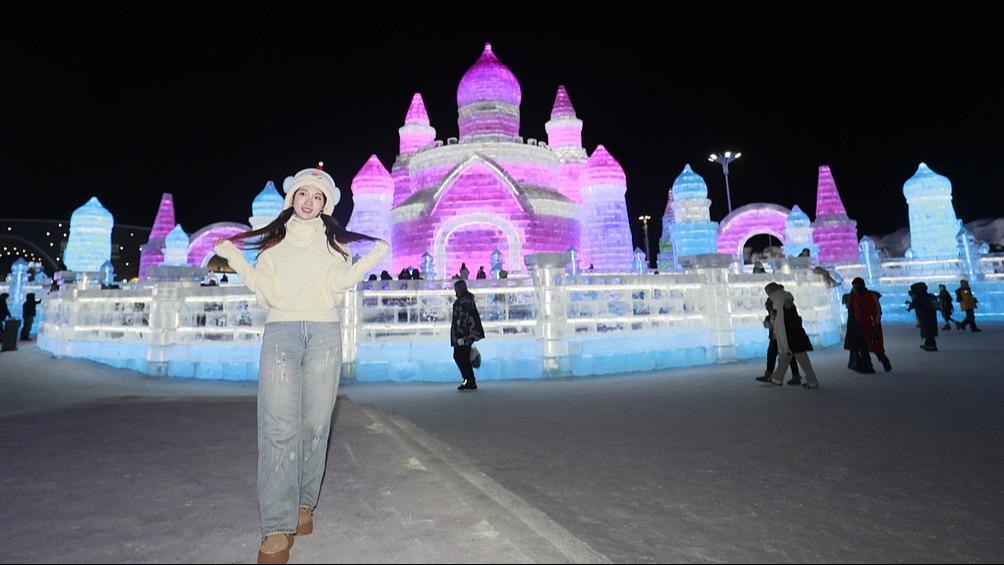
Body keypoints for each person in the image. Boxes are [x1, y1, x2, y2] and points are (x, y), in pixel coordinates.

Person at [213, 164, 388, 564]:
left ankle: (303, 503)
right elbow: (263, 289)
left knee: (315, 424)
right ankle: (276, 525)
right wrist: (234, 256)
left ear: (326, 204)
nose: (309, 202)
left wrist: (371, 259)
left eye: (318, 196)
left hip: (325, 334)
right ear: (292, 198)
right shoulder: (274, 243)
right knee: (278, 428)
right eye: (303, 194)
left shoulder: (335, 244)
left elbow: (336, 287)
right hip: (281, 333)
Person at [756, 282, 820, 388]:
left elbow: (782, 321)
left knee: (797, 358)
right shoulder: (782, 300)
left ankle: (809, 380)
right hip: (792, 336)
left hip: (791, 337)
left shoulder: (781, 301)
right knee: (788, 358)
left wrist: (773, 325)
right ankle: (778, 378)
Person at [848, 278, 892, 372]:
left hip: (869, 325)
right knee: (863, 347)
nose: (855, 288)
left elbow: (876, 311)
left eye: (856, 286)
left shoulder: (869, 296)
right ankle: (868, 366)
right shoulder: (854, 296)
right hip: (858, 325)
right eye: (854, 286)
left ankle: (883, 360)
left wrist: (875, 324)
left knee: (874, 345)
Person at [451, 279, 485, 391]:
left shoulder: (461, 303)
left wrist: (460, 336)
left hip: (463, 335)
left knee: (459, 356)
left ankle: (469, 380)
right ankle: (469, 380)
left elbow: (461, 320)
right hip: (470, 333)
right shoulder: (469, 300)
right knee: (463, 356)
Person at [762, 294, 801, 385]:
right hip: (775, 338)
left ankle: (794, 376)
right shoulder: (771, 314)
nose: (767, 307)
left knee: (789, 356)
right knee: (772, 354)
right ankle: (770, 374)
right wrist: (768, 323)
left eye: (769, 305)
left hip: (784, 337)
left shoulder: (781, 311)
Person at [907, 282, 940, 351]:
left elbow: (917, 304)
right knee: (930, 331)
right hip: (931, 316)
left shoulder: (920, 297)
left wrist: (911, 305)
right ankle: (931, 345)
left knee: (927, 331)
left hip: (924, 316)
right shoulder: (928, 296)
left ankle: (930, 345)